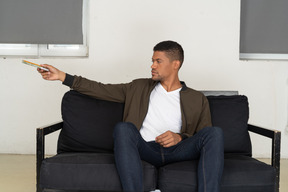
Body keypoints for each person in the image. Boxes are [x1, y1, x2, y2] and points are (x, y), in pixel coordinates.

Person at [38, 40, 224, 192]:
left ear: (175, 64)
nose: (152, 65)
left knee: (214, 133)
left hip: (179, 150)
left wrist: (180, 137)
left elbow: (203, 134)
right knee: (123, 128)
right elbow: (101, 89)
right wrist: (64, 77)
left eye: (158, 61)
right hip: (144, 149)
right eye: (152, 60)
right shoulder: (137, 87)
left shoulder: (197, 98)